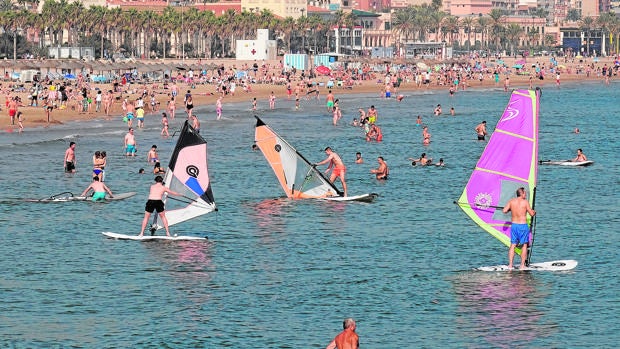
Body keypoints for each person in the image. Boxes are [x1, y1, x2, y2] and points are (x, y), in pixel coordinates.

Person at [502, 187, 536, 269]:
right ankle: (522, 265)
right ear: (522, 193)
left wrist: (511, 209)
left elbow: (504, 210)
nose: (526, 194)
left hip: (514, 226)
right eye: (525, 193)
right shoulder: (525, 202)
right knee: (524, 245)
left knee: (513, 245)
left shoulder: (511, 201)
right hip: (522, 226)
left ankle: (510, 265)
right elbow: (531, 214)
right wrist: (534, 212)